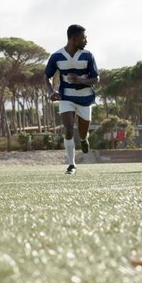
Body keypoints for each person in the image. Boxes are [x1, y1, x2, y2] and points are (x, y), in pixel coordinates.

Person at [45, 24, 99, 174]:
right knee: (68, 129)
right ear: (75, 39)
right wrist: (51, 91)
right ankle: (71, 165)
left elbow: (96, 78)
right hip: (66, 98)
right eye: (84, 37)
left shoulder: (88, 55)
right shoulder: (56, 56)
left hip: (85, 99)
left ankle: (83, 139)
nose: (86, 40)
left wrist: (80, 81)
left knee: (82, 133)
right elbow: (47, 76)